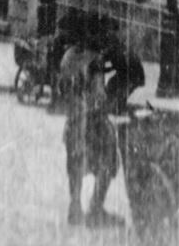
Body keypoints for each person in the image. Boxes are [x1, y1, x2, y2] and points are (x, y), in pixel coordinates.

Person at [57, 42, 123, 228]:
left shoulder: (68, 55)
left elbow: (62, 89)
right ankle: (95, 209)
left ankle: (75, 206)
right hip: (93, 122)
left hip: (73, 121)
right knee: (109, 161)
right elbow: (99, 95)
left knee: (75, 163)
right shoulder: (95, 60)